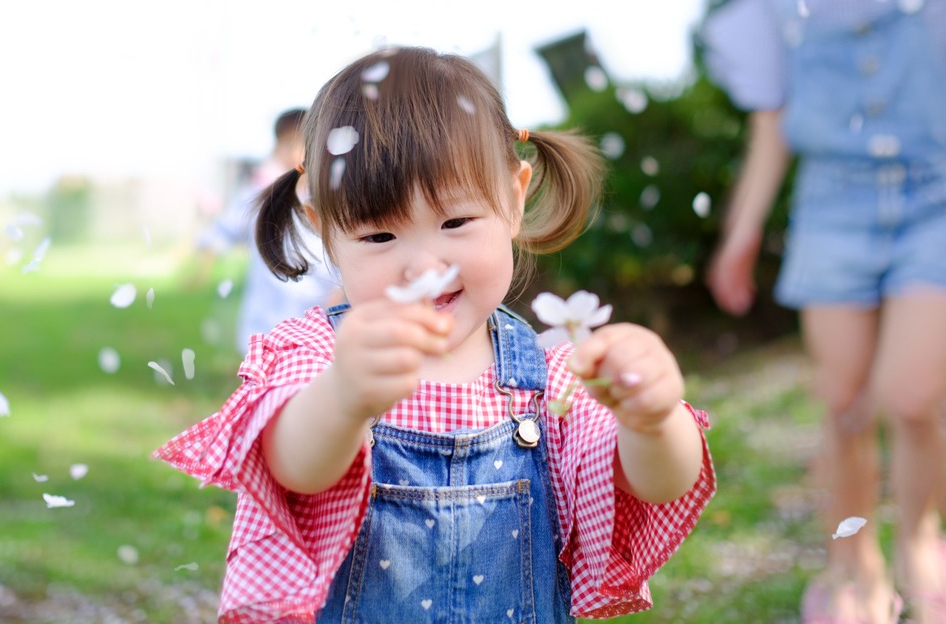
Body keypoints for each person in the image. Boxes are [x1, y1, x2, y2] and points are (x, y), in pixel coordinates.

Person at [155, 46, 715, 622]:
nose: (425, 268)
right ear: (327, 233)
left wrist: (652, 421)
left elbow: (658, 483)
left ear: (514, 199)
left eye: (455, 223)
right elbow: (293, 465)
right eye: (379, 237)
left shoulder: (556, 376)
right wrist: (343, 400)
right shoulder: (320, 358)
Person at [702, 0, 946, 623]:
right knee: (844, 403)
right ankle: (852, 563)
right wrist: (744, 228)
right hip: (835, 206)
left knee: (912, 396)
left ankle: (920, 537)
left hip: (945, 194)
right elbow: (772, 120)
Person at [197, 108, 340, 353]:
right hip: (266, 323)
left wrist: (340, 294)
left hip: (319, 319)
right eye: (289, 144)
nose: (297, 151)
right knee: (267, 381)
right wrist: (204, 265)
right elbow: (222, 232)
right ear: (278, 148)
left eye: (306, 143)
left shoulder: (333, 202)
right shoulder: (259, 198)